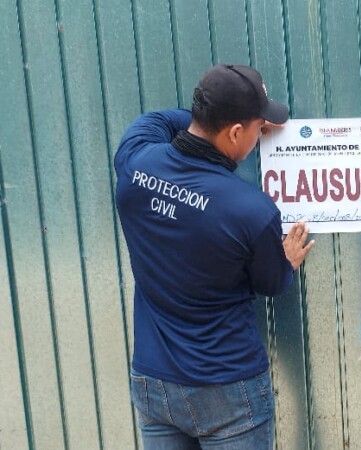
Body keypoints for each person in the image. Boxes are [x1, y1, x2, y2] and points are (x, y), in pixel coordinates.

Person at [114, 64, 314, 449]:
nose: (260, 134)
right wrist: (286, 260)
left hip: (154, 381)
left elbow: (159, 120)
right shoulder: (251, 210)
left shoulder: (135, 160)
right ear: (236, 132)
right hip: (227, 389)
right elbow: (271, 283)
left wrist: (212, 120)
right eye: (258, 127)